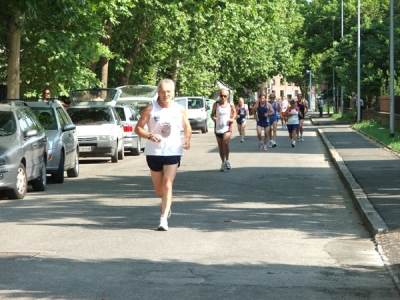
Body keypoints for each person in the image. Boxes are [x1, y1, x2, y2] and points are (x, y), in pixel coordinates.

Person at [134, 79, 192, 231]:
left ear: (173, 93)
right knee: (160, 191)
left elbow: (187, 127)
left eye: (168, 92)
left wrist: (187, 139)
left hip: (173, 151)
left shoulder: (179, 109)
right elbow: (138, 128)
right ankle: (167, 202)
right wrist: (149, 135)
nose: (165, 94)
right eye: (162, 92)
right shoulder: (150, 109)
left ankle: (163, 218)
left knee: (168, 184)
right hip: (154, 152)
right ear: (158, 93)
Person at [211, 88, 236, 171]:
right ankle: (223, 162)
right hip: (218, 128)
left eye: (225, 96)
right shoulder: (216, 104)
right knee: (220, 146)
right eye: (221, 96)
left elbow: (235, 112)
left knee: (225, 143)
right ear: (219, 95)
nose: (223, 98)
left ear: (227, 96)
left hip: (227, 127)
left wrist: (232, 119)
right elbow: (212, 114)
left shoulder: (230, 104)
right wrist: (213, 118)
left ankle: (228, 160)